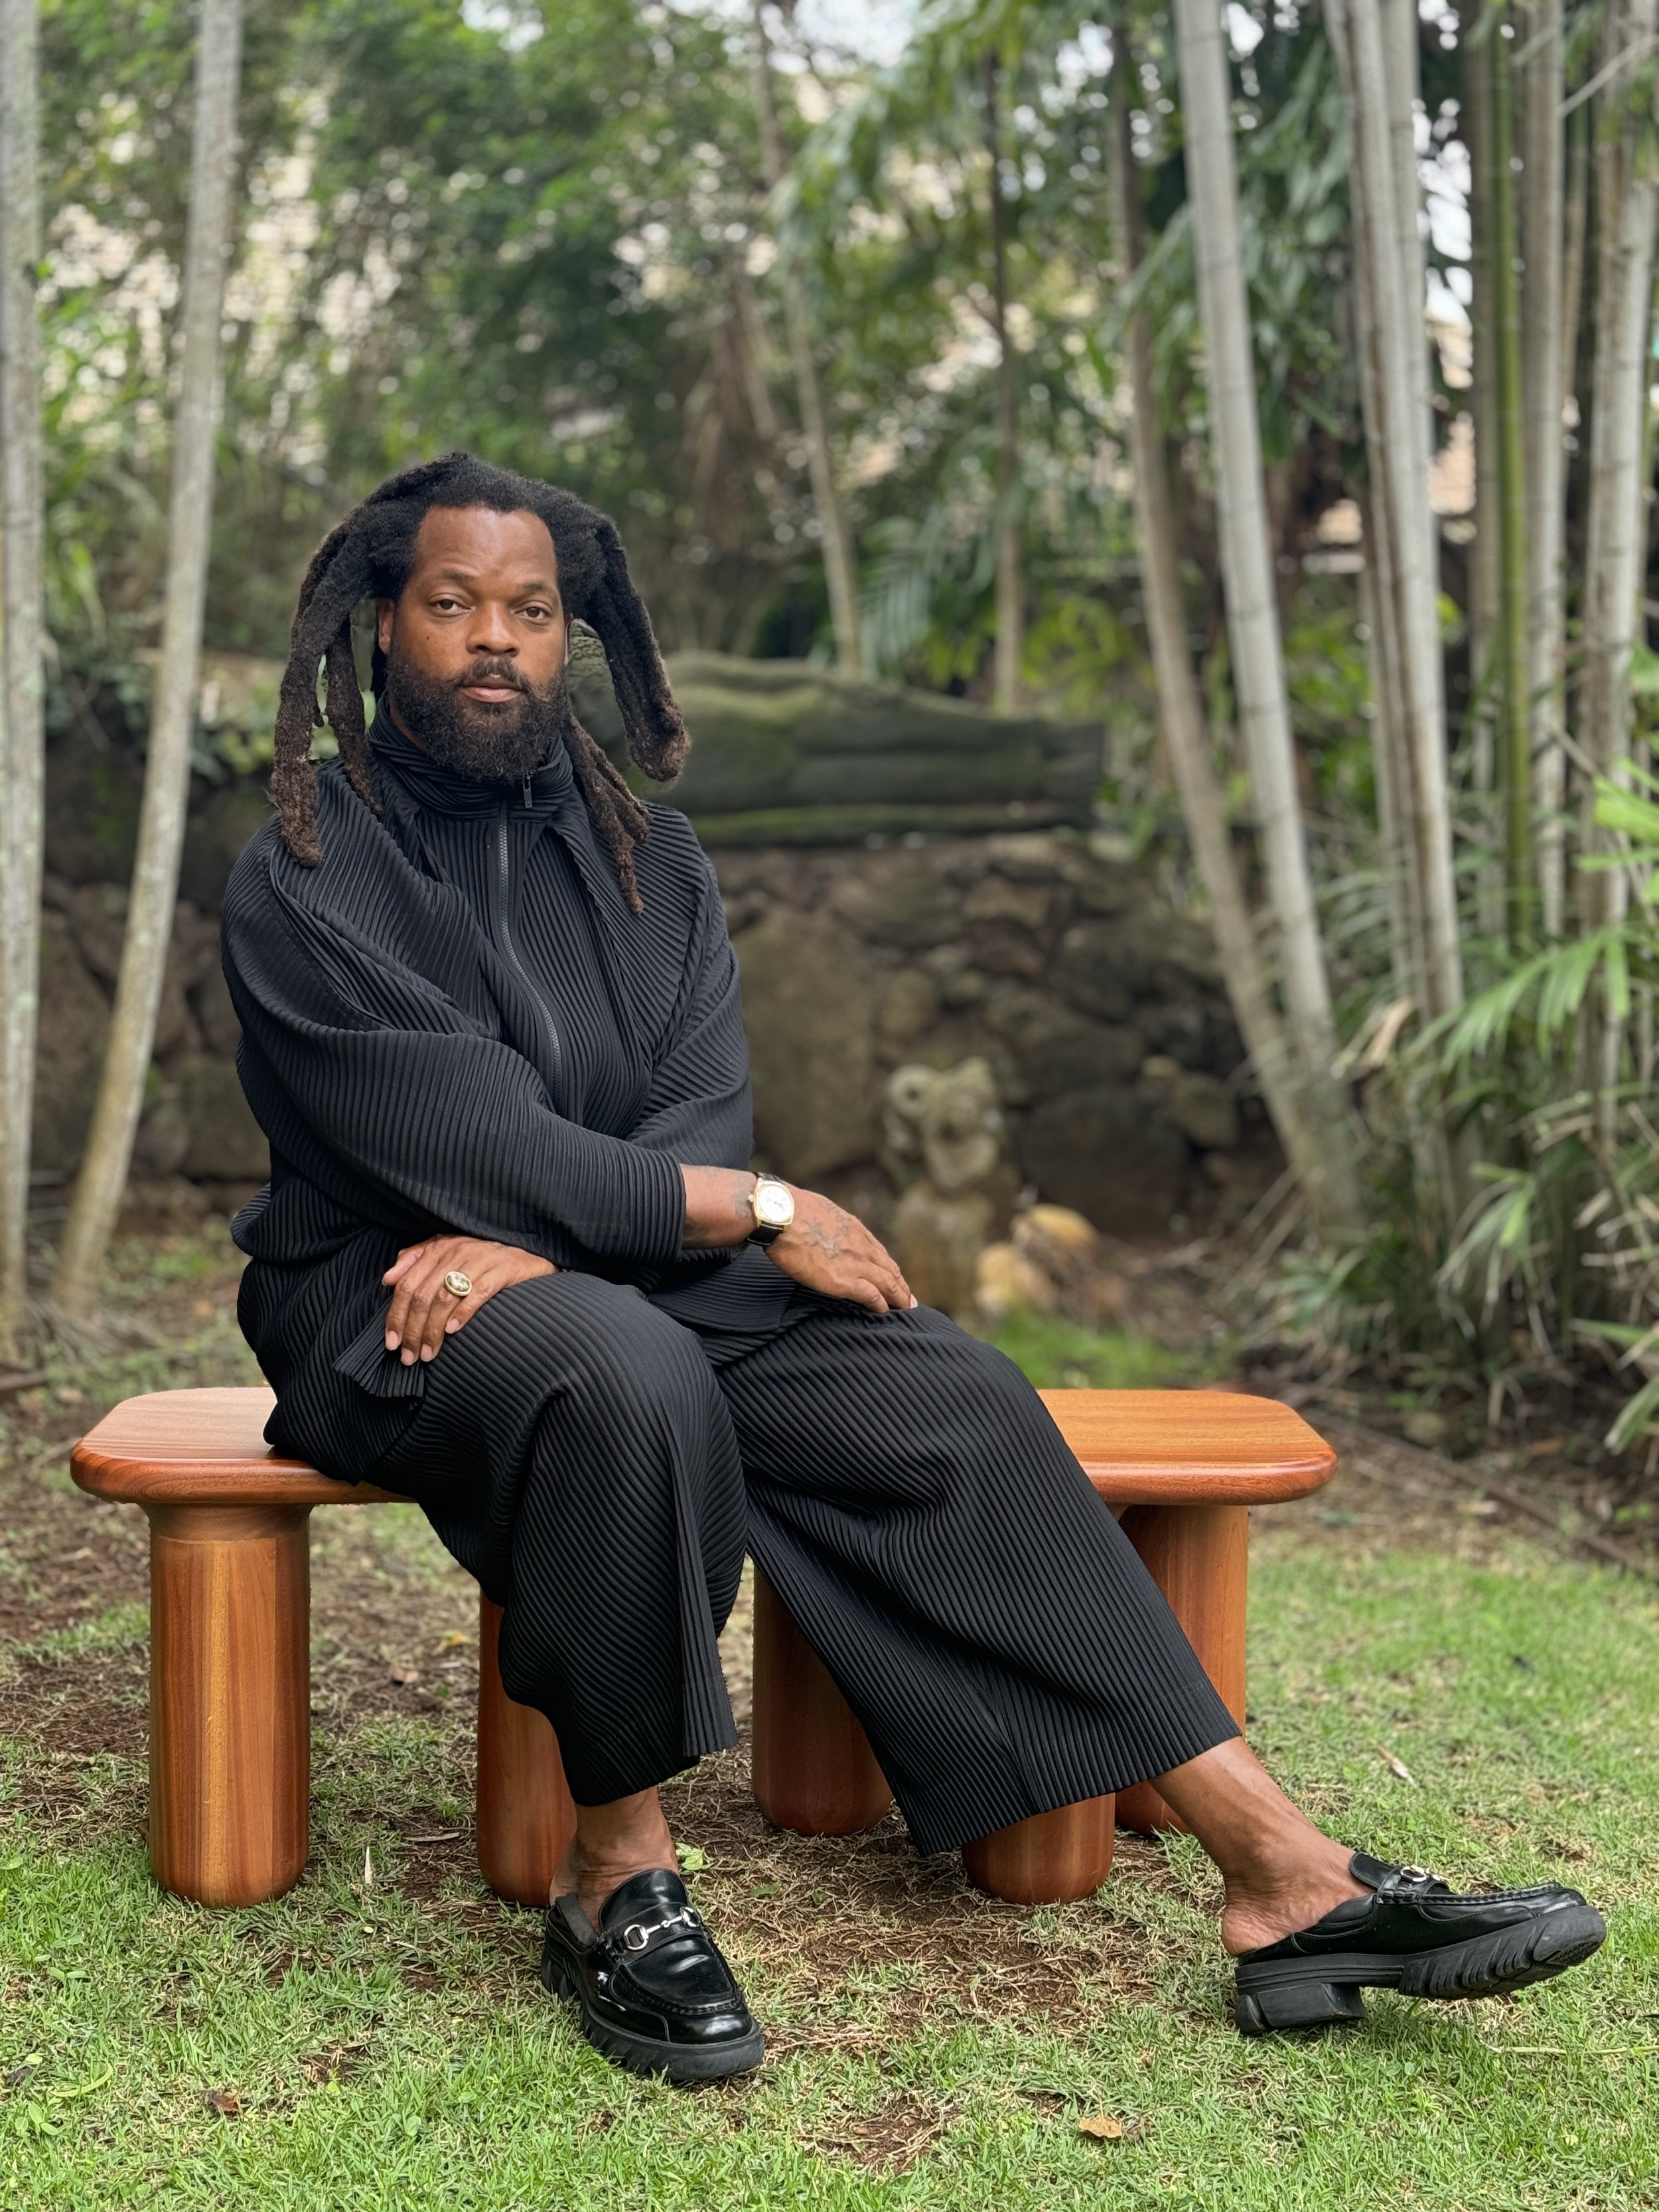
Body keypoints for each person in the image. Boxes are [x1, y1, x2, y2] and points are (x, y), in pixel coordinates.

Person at [222, 453, 1604, 2083]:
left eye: (529, 609)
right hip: (386, 1306)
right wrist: (690, 1203)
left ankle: (1280, 1873)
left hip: (593, 1268)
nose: (494, 640)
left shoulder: (651, 863)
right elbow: (473, 1138)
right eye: (453, 604)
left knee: (937, 1387)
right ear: (385, 623)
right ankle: (617, 1877)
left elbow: (686, 1111)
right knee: (616, 1364)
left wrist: (558, 1220)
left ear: (572, 630)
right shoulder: (308, 869)